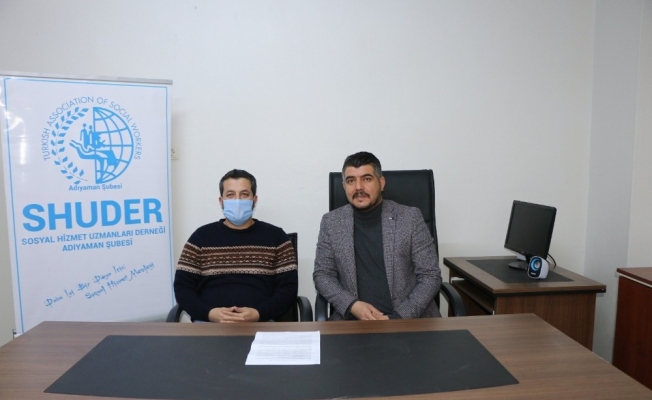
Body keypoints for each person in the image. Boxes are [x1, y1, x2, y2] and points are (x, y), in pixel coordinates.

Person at [313, 152, 442, 320]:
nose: (358, 187)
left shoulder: (410, 218)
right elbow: (323, 275)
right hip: (353, 320)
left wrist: (399, 317)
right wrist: (352, 305)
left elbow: (430, 276)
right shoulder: (331, 222)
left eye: (366, 179)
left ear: (381, 183)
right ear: (344, 186)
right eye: (351, 181)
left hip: (408, 319)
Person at [174, 169, 298, 322]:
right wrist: (209, 313)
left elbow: (288, 289)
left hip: (261, 322)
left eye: (244, 194)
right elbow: (182, 288)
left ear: (254, 200)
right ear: (221, 201)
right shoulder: (200, 237)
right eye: (230, 195)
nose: (237, 201)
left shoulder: (277, 237)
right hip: (209, 324)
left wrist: (259, 313)